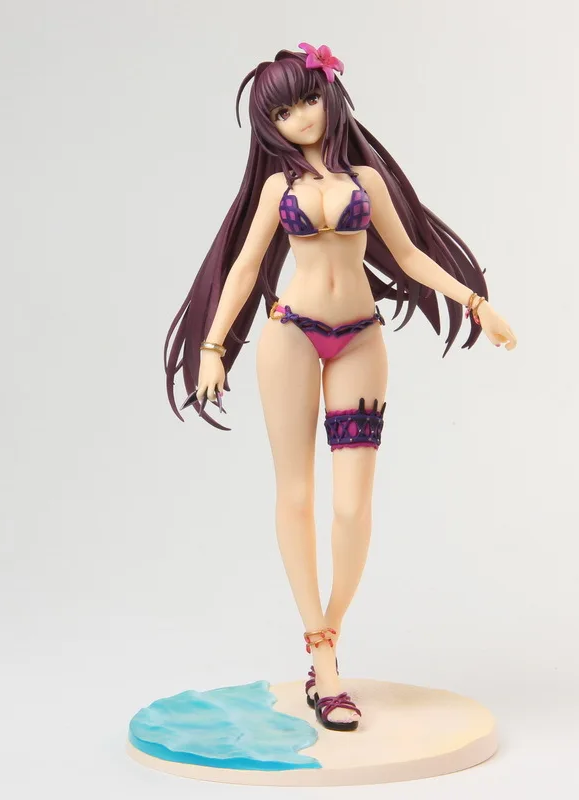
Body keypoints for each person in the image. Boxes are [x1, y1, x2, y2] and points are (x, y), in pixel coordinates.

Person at [164, 43, 517, 732]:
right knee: (296, 495)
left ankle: (331, 627)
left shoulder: (367, 180)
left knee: (353, 506)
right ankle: (323, 661)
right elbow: (245, 269)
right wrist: (212, 348)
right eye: (282, 112)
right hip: (291, 335)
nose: (300, 118)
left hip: (359, 338)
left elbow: (408, 254)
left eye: (307, 99)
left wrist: (476, 302)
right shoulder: (278, 189)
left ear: (330, 95)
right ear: (269, 125)